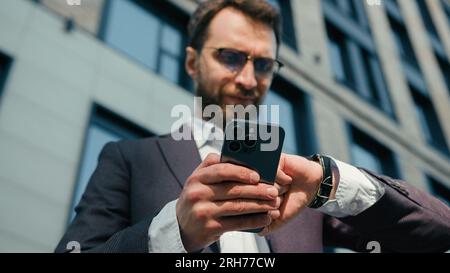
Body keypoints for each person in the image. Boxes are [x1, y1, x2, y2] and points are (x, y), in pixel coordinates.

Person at [55, 0, 450, 253]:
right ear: (192, 62)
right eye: (230, 57)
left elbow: (438, 233)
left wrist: (328, 182)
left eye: (263, 64)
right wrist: (172, 233)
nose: (248, 79)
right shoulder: (129, 157)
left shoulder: (298, 183)